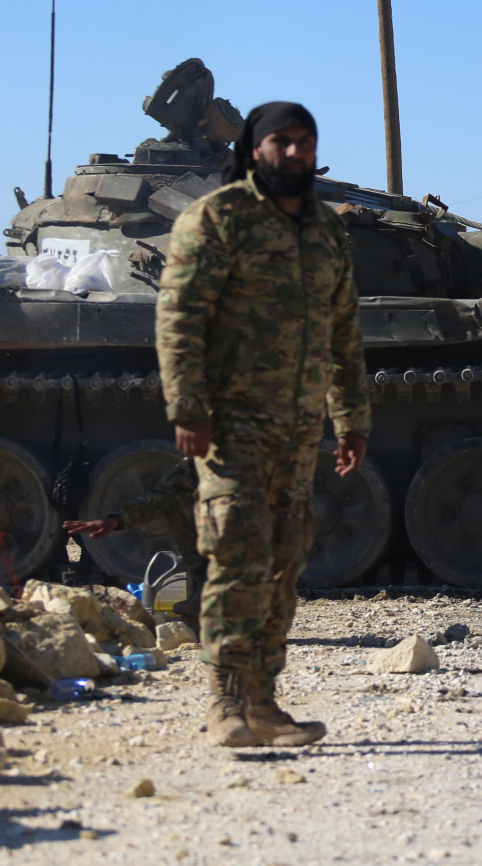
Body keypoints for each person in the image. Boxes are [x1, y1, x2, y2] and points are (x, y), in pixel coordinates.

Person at [155, 101, 369, 749]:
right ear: (255, 149)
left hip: (299, 430)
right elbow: (180, 315)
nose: (296, 152)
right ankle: (225, 703)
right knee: (235, 555)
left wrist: (351, 419)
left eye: (306, 141)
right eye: (283, 141)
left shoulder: (326, 230)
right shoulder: (218, 218)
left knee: (283, 561)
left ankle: (264, 703)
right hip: (231, 423)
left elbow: (343, 332)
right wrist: (187, 407)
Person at [61, 458, 205, 631]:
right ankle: (205, 583)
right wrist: (116, 520)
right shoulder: (203, 459)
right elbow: (168, 492)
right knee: (176, 504)